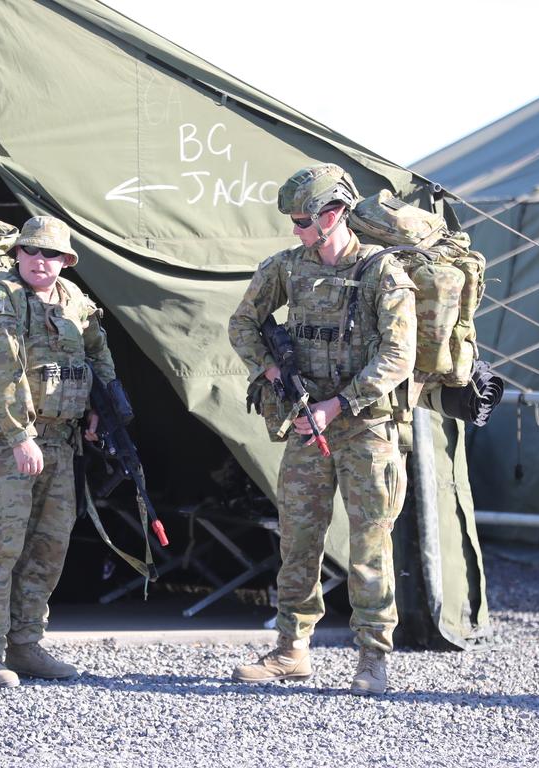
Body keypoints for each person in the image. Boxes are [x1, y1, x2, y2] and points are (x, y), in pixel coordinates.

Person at [228, 164, 417, 696]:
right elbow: (242, 323)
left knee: (369, 543)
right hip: (307, 425)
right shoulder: (286, 269)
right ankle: (292, 649)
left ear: (333, 215)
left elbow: (399, 355)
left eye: (303, 220)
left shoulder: (383, 273)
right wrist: (269, 369)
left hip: (367, 428)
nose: (296, 230)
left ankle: (373, 657)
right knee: (299, 539)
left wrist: (341, 404)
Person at [0, 215, 115, 688]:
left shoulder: (74, 301)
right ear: (18, 254)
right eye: (32, 251)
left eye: (52, 254)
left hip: (60, 443)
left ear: (67, 261)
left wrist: (99, 407)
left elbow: (97, 351)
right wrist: (18, 436)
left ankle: (25, 645)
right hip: (5, 446)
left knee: (48, 547)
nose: (40, 261)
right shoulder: (1, 299)